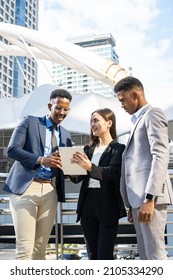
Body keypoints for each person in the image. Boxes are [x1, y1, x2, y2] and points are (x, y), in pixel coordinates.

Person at [3, 88, 72, 260]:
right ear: (50, 106)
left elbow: (67, 168)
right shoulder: (30, 122)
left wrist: (76, 167)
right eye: (58, 107)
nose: (61, 112)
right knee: (25, 248)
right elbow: (12, 150)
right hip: (26, 188)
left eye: (65, 109)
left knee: (40, 250)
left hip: (50, 192)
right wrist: (41, 159)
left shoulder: (66, 135)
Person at [114, 76, 173, 260]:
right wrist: (131, 205)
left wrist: (149, 198)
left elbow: (160, 155)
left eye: (123, 100)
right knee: (145, 255)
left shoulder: (153, 114)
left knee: (155, 254)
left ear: (134, 94)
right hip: (137, 201)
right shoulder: (136, 121)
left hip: (150, 199)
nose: (122, 105)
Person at [71, 108, 126, 260]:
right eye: (91, 121)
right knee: (92, 254)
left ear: (109, 123)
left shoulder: (118, 149)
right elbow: (77, 179)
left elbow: (111, 173)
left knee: (104, 255)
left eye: (96, 121)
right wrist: (68, 168)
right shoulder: (88, 149)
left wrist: (89, 167)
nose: (92, 124)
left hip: (107, 203)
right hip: (87, 203)